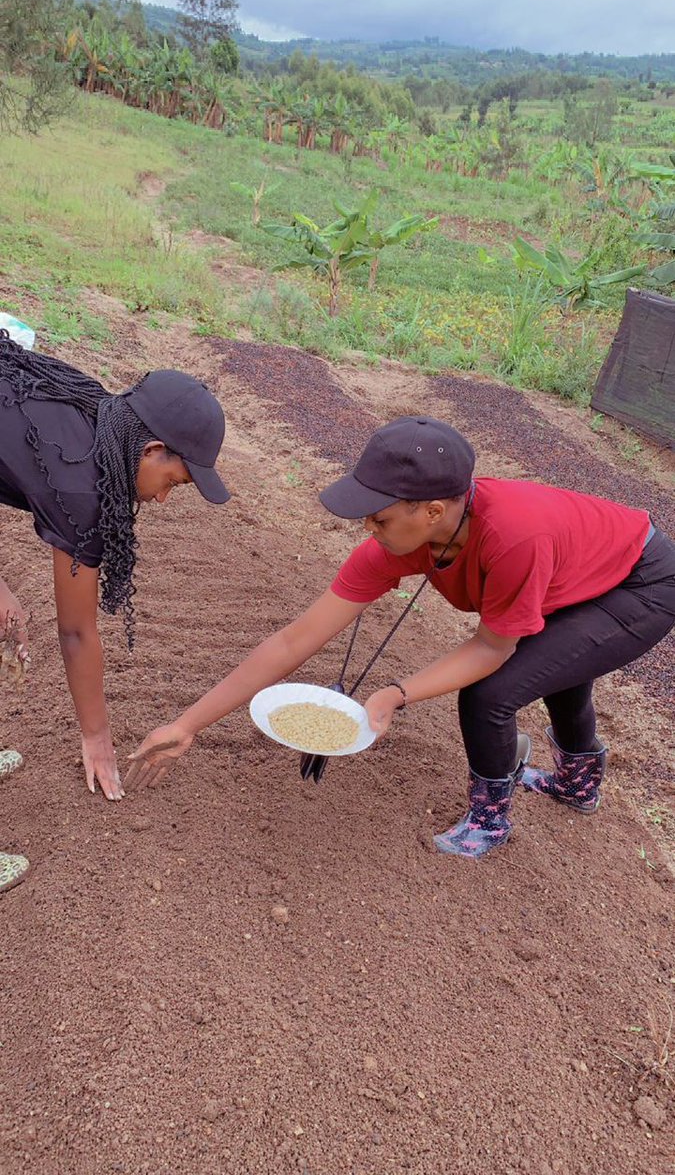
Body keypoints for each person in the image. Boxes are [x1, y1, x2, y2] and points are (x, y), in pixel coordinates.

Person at [125, 416, 675, 859]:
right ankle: (578, 786)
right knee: (557, 666)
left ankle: (490, 819)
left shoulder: (513, 539)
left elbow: (491, 648)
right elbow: (295, 641)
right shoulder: (404, 539)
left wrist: (396, 692)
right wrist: (186, 724)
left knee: (492, 693)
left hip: (642, 583)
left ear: (432, 511)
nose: (369, 528)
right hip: (573, 571)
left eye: (378, 517)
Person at [0, 333, 230, 886]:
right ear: (151, 451)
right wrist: (97, 737)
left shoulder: (94, 409)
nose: (164, 498)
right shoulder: (85, 492)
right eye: (174, 481)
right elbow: (75, 631)